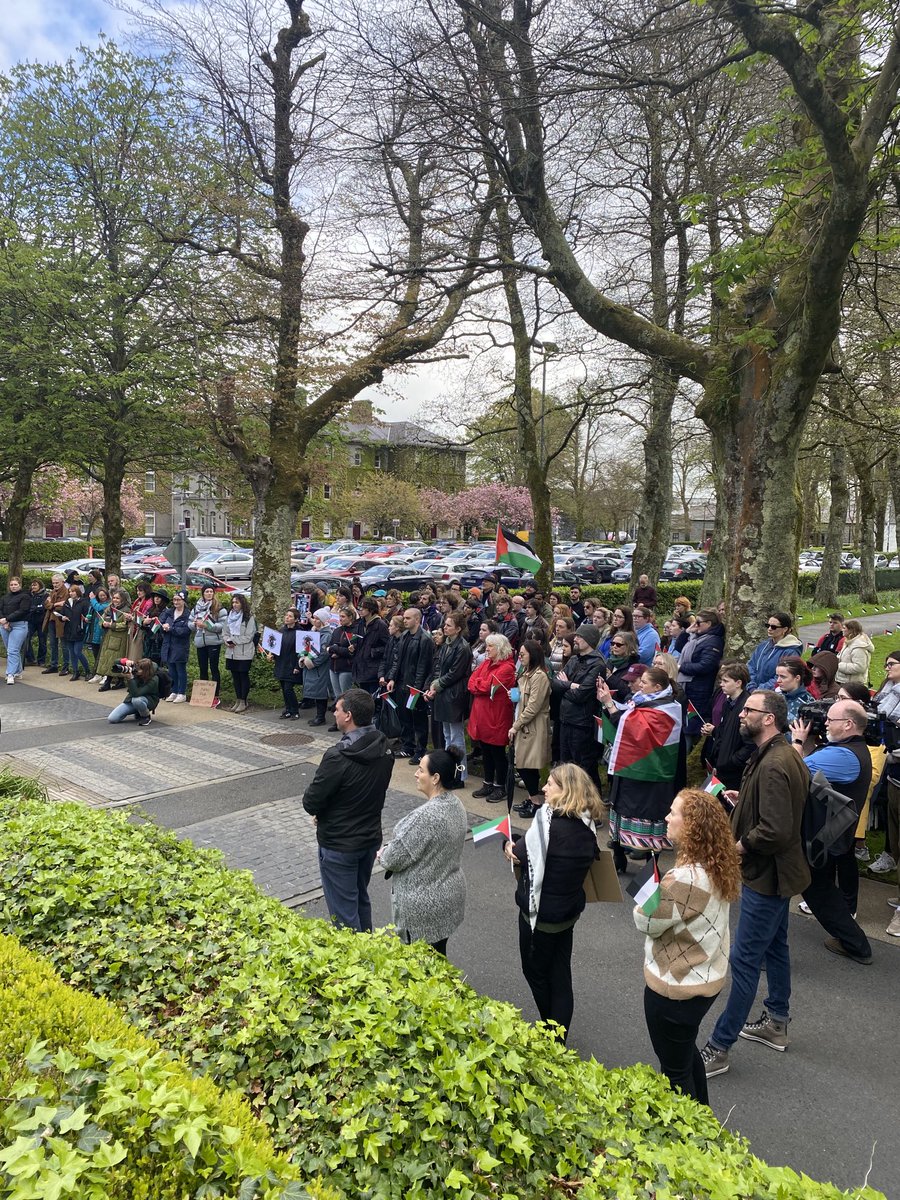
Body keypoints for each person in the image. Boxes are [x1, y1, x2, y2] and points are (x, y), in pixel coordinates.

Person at [701, 691, 810, 1078]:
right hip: (777, 873)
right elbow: (773, 810)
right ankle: (776, 1022)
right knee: (776, 945)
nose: (741, 714)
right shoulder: (776, 755)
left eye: (749, 710)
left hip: (768, 875)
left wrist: (738, 846)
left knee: (745, 961)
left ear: (769, 719)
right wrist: (741, 798)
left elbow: (776, 829)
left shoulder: (775, 763)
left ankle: (719, 1047)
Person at [634, 787, 741, 1105]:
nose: (666, 817)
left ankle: (690, 1140)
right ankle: (705, 1120)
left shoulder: (684, 879)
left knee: (674, 1071)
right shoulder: (716, 865)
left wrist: (648, 890)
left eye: (673, 813)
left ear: (692, 825)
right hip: (705, 980)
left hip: (675, 989)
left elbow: (645, 921)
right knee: (684, 1054)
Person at [503, 763, 603, 1041]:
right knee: (561, 975)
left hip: (539, 918)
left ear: (566, 791)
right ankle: (560, 1035)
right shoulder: (586, 823)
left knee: (535, 973)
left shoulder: (546, 822)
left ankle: (550, 1033)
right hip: (568, 915)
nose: (544, 788)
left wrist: (507, 846)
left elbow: (520, 854)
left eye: (550, 784)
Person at [302, 688, 395, 931]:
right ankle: (371, 956)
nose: (334, 712)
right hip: (369, 838)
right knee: (360, 901)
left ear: (349, 716)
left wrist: (321, 813)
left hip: (339, 843)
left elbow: (311, 801)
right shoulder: (384, 749)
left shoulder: (337, 756)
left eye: (338, 709)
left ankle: (354, 964)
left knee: (343, 916)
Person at [789, 700, 873, 964]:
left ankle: (856, 945)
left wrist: (799, 741)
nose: (825, 722)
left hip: (823, 836)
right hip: (829, 835)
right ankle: (854, 943)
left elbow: (792, 768)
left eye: (831, 720)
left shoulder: (844, 755)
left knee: (816, 889)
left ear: (848, 724)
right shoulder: (851, 749)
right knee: (819, 889)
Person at [377, 746, 468, 955]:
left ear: (435, 777)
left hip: (423, 909)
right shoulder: (457, 805)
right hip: (448, 897)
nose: (416, 774)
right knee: (437, 959)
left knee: (421, 971)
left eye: (421, 770)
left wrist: (383, 853)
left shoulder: (425, 817)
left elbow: (392, 858)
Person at [598, 665, 683, 873]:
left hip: (652, 776)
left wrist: (610, 704)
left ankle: (651, 867)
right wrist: (607, 701)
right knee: (619, 811)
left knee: (650, 819)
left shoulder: (669, 709)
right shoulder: (641, 701)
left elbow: (634, 730)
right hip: (630, 769)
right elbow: (626, 718)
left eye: (643, 682)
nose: (638, 685)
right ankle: (619, 857)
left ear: (657, 687)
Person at [551, 624, 606, 794]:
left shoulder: (597, 664)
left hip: (582, 723)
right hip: (565, 719)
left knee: (584, 767)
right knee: (565, 765)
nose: (575, 639)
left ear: (589, 640)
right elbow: (555, 683)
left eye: (579, 637)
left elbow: (582, 694)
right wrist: (571, 685)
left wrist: (565, 686)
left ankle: (592, 806)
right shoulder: (574, 659)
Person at [426, 611, 472, 786]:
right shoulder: (447, 644)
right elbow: (440, 669)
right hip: (444, 693)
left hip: (455, 695)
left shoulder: (462, 647)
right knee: (447, 735)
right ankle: (449, 770)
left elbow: (455, 673)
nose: (445, 627)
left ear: (458, 628)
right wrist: (433, 685)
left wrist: (437, 685)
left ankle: (460, 775)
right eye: (445, 624)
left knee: (457, 737)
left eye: (449, 625)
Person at [468, 632, 516, 801]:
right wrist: (479, 684)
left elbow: (487, 687)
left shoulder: (507, 668)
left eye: (490, 646)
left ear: (500, 648)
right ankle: (488, 783)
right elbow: (471, 682)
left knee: (497, 752)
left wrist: (479, 684)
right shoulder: (486, 663)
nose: (486, 649)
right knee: (486, 751)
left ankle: (499, 786)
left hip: (497, 715)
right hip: (482, 714)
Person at [509, 639, 551, 818]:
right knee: (525, 764)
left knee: (528, 765)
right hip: (523, 724)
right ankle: (531, 798)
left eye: (523, 654)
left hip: (532, 727)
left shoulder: (539, 676)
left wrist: (516, 726)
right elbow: (523, 700)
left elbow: (534, 706)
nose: (520, 656)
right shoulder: (526, 674)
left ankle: (535, 802)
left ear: (532, 655)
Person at [387, 607, 435, 763]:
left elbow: (423, 666)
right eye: (404, 618)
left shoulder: (425, 639)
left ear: (417, 619)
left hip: (415, 686)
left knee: (418, 719)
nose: (404, 620)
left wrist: (417, 688)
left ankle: (420, 750)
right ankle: (408, 746)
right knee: (404, 716)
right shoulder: (405, 636)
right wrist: (392, 678)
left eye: (408, 618)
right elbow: (397, 660)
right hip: (401, 683)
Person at [700, 663, 753, 790]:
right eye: (721, 681)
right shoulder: (728, 703)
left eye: (725, 681)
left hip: (733, 773)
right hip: (720, 768)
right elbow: (724, 732)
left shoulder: (746, 707)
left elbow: (750, 743)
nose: (721, 684)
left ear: (738, 683)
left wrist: (731, 762)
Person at [675, 608, 725, 723]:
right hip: (688, 686)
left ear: (708, 624)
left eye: (698, 623)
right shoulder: (695, 637)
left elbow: (705, 666)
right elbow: (679, 647)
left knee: (692, 722)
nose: (695, 626)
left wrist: (681, 667)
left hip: (699, 689)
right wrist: (687, 632)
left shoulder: (713, 641)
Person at [746, 612, 803, 690]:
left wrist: (760, 689)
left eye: (773, 627)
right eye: (767, 625)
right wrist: (751, 685)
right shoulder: (763, 645)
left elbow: (783, 676)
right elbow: (751, 665)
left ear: (785, 629)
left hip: (773, 694)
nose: (769, 629)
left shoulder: (791, 652)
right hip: (753, 690)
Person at [190, 584, 228, 699]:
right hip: (200, 641)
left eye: (211, 591)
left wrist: (207, 626)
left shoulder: (219, 608)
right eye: (207, 591)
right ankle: (204, 695)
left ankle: (215, 695)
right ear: (203, 593)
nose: (209, 594)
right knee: (202, 668)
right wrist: (194, 625)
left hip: (213, 642)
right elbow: (190, 622)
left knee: (214, 668)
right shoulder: (197, 607)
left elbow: (222, 625)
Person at [223, 593, 257, 713]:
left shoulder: (248, 618)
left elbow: (249, 636)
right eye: (233, 602)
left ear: (242, 604)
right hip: (231, 652)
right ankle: (238, 699)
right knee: (235, 676)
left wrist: (234, 640)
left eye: (237, 602)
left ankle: (244, 700)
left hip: (244, 651)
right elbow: (225, 632)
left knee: (243, 675)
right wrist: (227, 641)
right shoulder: (229, 617)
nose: (234, 605)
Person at [301, 608, 333, 726]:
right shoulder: (314, 632)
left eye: (316, 619)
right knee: (316, 691)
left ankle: (321, 717)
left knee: (320, 692)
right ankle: (318, 716)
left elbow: (323, 653)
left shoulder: (327, 635)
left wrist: (312, 662)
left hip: (320, 668)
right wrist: (303, 657)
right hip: (313, 667)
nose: (313, 620)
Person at [329, 607, 362, 720]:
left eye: (343, 617)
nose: (340, 619)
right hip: (333, 666)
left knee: (345, 695)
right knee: (337, 695)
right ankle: (338, 719)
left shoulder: (355, 631)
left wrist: (337, 650)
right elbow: (330, 647)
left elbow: (351, 651)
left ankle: (347, 718)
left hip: (346, 667)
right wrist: (336, 649)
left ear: (350, 617)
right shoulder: (337, 630)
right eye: (340, 616)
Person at [107, 657, 160, 727]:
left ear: (146, 671)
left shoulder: (153, 679)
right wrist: (125, 661)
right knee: (112, 718)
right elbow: (116, 662)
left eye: (140, 670)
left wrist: (130, 679)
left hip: (148, 701)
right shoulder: (136, 668)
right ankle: (138, 711)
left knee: (137, 700)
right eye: (137, 668)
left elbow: (136, 694)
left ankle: (146, 716)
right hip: (131, 700)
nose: (136, 670)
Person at [352, 597, 388, 694]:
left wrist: (373, 652)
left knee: (373, 698)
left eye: (363, 608)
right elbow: (358, 641)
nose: (360, 610)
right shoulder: (360, 623)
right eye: (359, 608)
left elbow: (388, 647)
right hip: (361, 667)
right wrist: (354, 647)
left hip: (373, 669)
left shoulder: (381, 625)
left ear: (371, 609)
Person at [270, 607, 302, 718]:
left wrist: (298, 665)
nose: (287, 618)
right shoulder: (281, 631)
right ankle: (288, 709)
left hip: (292, 664)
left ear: (296, 619)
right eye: (286, 615)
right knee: (283, 688)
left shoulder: (299, 632)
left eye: (290, 616)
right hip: (281, 663)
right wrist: (271, 655)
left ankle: (295, 710)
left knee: (289, 688)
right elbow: (275, 646)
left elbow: (302, 651)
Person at [160, 591, 192, 703]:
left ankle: (182, 692)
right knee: (171, 669)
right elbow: (160, 623)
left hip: (180, 646)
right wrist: (163, 627)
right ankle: (173, 691)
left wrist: (171, 629)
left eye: (178, 600)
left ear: (183, 601)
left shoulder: (188, 614)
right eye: (174, 600)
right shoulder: (169, 612)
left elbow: (186, 631)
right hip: (168, 644)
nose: (176, 602)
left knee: (180, 669)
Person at [0, 576, 32, 684]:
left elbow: (23, 610)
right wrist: (3, 621)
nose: (13, 587)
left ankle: (10, 674)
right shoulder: (5, 597)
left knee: (12, 650)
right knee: (11, 649)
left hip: (19, 625)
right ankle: (17, 671)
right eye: (11, 585)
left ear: (20, 585)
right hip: (4, 625)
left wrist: (7, 619)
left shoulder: (25, 596)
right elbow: (1, 609)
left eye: (15, 584)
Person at [59, 583, 92, 681]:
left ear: (77, 592)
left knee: (77, 651)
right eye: (69, 592)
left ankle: (88, 671)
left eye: (73, 591)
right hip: (68, 630)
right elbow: (61, 614)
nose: (71, 593)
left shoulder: (84, 602)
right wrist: (62, 618)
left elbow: (87, 616)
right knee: (71, 652)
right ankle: (75, 671)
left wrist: (86, 620)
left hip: (78, 630)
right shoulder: (67, 603)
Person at [41, 574, 68, 674]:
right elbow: (46, 604)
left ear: (62, 582)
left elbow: (63, 606)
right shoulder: (52, 592)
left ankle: (65, 666)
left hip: (61, 621)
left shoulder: (66, 592)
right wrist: (55, 604)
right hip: (51, 620)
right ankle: (54, 665)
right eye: (53, 583)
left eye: (57, 583)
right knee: (53, 644)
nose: (55, 585)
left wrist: (51, 604)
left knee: (64, 644)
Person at [604, 630, 641, 701]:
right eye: (612, 643)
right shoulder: (609, 661)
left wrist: (610, 677)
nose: (614, 646)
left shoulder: (634, 666)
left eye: (618, 645)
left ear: (629, 646)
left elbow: (628, 691)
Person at [835, 619, 873, 687]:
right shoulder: (848, 642)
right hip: (844, 682)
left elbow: (860, 667)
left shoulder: (859, 647)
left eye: (844, 628)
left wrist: (838, 665)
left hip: (852, 685)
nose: (842, 630)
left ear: (851, 630)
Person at [85, 587, 111, 681]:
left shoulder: (107, 604)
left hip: (101, 631)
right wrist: (88, 618)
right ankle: (97, 673)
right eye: (100, 596)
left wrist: (92, 599)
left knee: (102, 654)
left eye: (104, 595)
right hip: (93, 630)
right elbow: (91, 611)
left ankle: (104, 673)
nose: (102, 597)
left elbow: (98, 608)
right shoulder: (94, 603)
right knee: (95, 653)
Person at [24, 578, 48, 667]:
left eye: (35, 585)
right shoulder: (29, 595)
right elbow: (27, 606)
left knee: (42, 641)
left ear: (40, 586)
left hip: (41, 621)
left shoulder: (45, 595)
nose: (33, 587)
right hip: (31, 620)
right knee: (25, 637)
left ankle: (41, 660)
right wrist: (34, 608)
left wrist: (36, 608)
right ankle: (30, 658)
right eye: (32, 585)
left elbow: (43, 606)